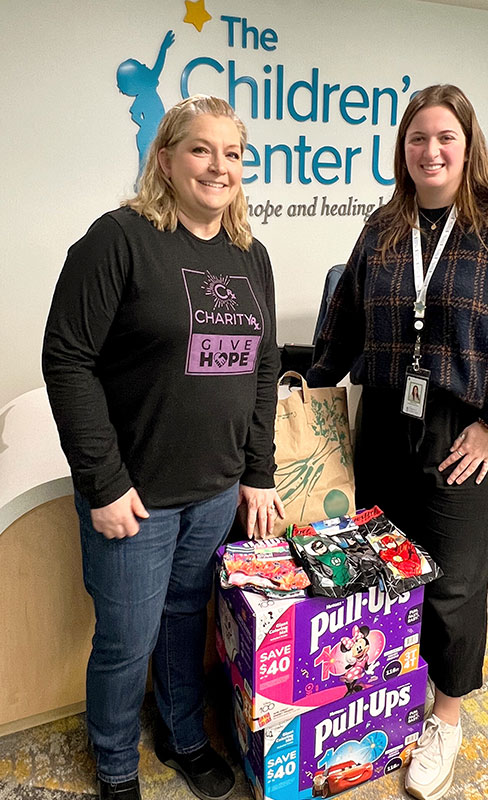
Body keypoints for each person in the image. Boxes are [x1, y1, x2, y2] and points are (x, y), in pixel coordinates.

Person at [307, 84, 488, 800]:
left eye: (445, 136)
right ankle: (382, 693)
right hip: (384, 413)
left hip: (465, 428)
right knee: (382, 565)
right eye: (418, 138)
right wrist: (314, 399)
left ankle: (445, 715)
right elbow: (344, 318)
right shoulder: (386, 225)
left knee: (451, 583)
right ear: (403, 151)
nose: (431, 150)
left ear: (469, 143)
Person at [42, 95, 284, 800]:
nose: (219, 166)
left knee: (186, 623)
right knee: (126, 643)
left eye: (232, 153)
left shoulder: (250, 255)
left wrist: (257, 472)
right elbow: (68, 359)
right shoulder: (118, 239)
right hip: (135, 498)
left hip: (213, 490)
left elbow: (263, 367)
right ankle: (116, 766)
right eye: (201, 149)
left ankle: (182, 737)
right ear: (167, 159)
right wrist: (104, 481)